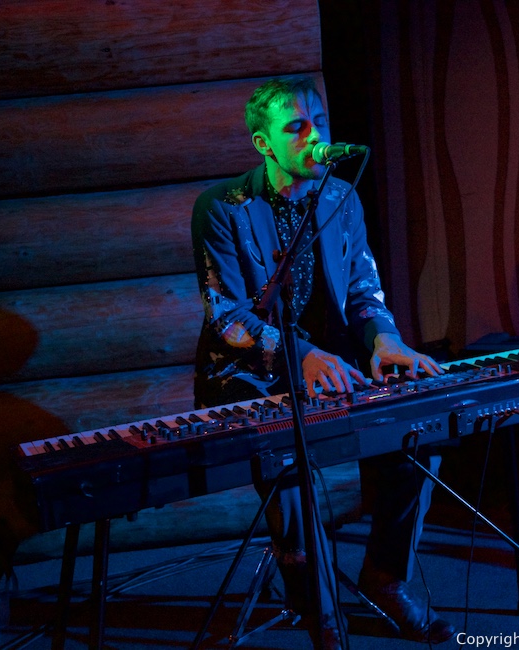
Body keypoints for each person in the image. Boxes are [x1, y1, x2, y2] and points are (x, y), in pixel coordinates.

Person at [191, 76, 456, 648]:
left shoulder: (340, 196)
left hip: (330, 366)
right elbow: (227, 317)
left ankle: (387, 577)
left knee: (418, 430)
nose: (316, 136)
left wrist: (384, 339)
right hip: (249, 374)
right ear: (264, 144)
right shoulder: (221, 207)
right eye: (297, 126)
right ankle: (315, 603)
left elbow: (363, 287)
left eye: (321, 122)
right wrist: (301, 354)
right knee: (287, 455)